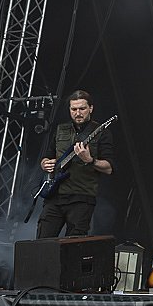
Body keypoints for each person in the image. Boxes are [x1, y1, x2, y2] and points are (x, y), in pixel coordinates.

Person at [37, 90, 114, 238]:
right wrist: (45, 164)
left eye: (82, 109)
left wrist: (90, 160)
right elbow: (47, 156)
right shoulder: (60, 129)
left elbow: (109, 168)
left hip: (81, 197)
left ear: (90, 108)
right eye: (74, 109)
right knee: (42, 242)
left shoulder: (101, 132)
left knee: (74, 244)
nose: (78, 113)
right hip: (55, 196)